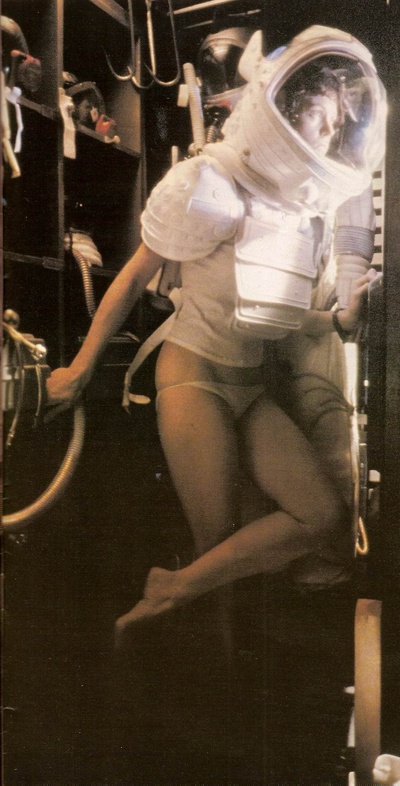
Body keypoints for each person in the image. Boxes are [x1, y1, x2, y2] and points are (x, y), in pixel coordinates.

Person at [46, 26, 386, 643]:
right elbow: (132, 278)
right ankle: (220, 676)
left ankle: (172, 588)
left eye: (338, 123)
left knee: (321, 515)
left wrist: (340, 320)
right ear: (284, 110)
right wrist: (80, 369)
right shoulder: (210, 184)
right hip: (194, 377)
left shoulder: (300, 207)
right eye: (320, 115)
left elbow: (270, 311)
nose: (329, 133)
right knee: (220, 547)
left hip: (250, 388)